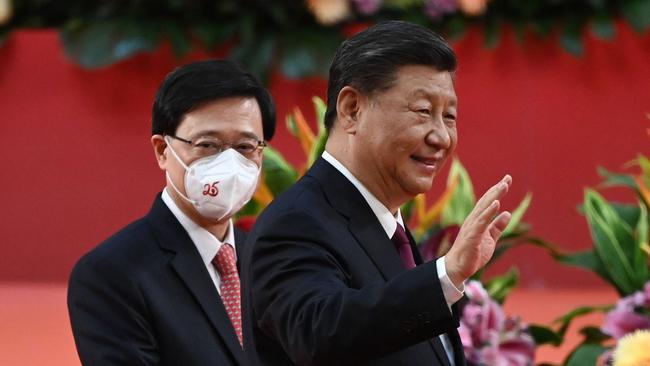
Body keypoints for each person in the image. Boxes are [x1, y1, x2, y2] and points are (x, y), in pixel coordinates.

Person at [241, 20, 512, 366]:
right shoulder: (295, 224)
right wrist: (447, 274)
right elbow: (321, 335)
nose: (441, 137)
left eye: (449, 116)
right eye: (423, 112)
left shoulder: (388, 229)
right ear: (352, 108)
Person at [68, 59, 275, 366]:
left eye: (245, 147)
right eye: (208, 145)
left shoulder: (269, 264)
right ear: (163, 151)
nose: (229, 165)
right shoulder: (111, 274)